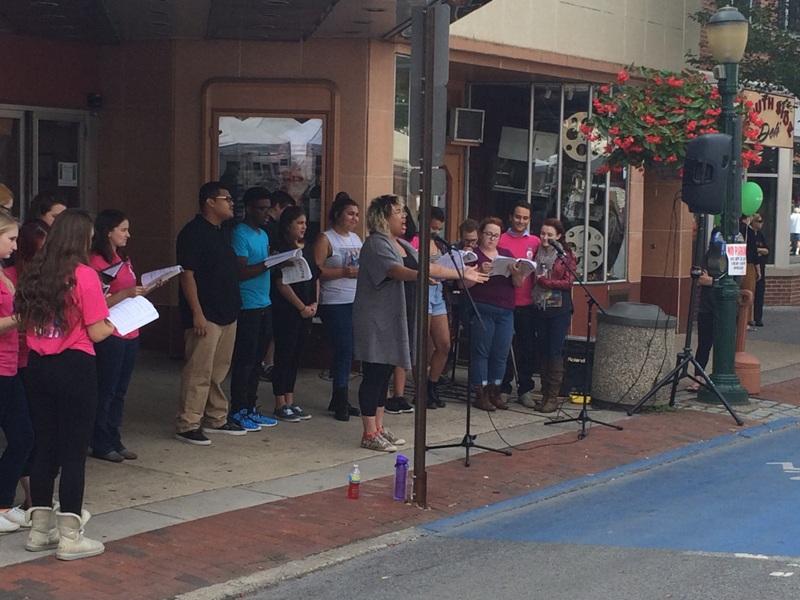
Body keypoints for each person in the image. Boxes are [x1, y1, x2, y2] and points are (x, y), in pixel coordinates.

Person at [16, 208, 116, 560]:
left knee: (45, 446)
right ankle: (71, 536)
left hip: (38, 365)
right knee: (74, 451)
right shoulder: (85, 275)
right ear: (81, 238)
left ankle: (40, 529)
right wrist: (118, 321)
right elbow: (97, 330)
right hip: (75, 364)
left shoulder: (35, 274)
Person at [353, 195, 487, 452]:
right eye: (397, 212)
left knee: (385, 376)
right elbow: (395, 271)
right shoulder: (375, 244)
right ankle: (368, 433)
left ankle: (379, 428)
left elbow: (428, 266)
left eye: (403, 212)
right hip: (376, 321)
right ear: (383, 217)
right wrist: (421, 276)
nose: (404, 217)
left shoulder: (402, 243)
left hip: (396, 318)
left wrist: (461, 273)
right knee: (374, 374)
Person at [175, 182, 244, 445]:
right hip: (205, 314)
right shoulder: (192, 233)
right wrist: (197, 313)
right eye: (226, 198)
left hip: (228, 310)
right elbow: (187, 275)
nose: (231, 203)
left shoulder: (222, 231)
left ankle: (216, 416)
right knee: (198, 370)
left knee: (218, 369)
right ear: (210, 202)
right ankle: (188, 422)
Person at [88, 210, 149, 462]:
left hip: (130, 327)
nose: (127, 234)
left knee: (121, 389)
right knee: (107, 388)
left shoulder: (122, 257)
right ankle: (100, 440)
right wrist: (125, 294)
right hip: (110, 329)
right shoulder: (95, 261)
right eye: (122, 229)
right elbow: (98, 302)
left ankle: (114, 435)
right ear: (108, 231)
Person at [227, 188, 279, 431]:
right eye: (260, 208)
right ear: (248, 208)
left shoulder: (264, 234)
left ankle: (251, 406)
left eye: (268, 207)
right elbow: (241, 271)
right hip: (247, 305)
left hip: (265, 303)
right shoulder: (239, 233)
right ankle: (238, 409)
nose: (265, 213)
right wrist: (268, 263)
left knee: (258, 361)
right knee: (244, 361)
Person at [467, 217, 526, 412]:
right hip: (483, 307)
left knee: (501, 353)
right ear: (481, 234)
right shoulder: (473, 256)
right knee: (482, 351)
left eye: (496, 235)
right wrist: (479, 273)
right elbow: (463, 285)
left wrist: (516, 272)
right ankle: (480, 392)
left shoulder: (506, 254)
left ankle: (495, 390)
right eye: (488, 234)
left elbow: (517, 284)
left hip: (506, 310)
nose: (492, 239)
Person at [0, 212, 34, 535]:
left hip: (10, 364)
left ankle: (3, 502)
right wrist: (19, 320)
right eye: (10, 238)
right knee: (22, 435)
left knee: (23, 436)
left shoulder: (5, 275)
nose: (15, 246)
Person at [314, 192, 362, 421]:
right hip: (333, 300)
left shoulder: (356, 239)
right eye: (350, 214)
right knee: (343, 347)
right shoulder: (326, 238)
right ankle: (340, 395)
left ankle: (340, 395)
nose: (354, 219)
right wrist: (343, 272)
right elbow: (317, 270)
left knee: (350, 349)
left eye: (357, 215)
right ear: (338, 215)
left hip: (354, 298)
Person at [270, 205, 319, 421]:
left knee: (297, 356)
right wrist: (300, 306)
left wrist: (315, 304)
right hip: (288, 310)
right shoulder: (282, 250)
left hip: (308, 308)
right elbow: (281, 283)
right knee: (284, 354)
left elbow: (315, 276)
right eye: (299, 223)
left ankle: (290, 399)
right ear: (288, 225)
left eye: (305, 223)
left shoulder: (307, 248)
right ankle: (280, 401)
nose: (303, 227)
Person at [531, 218, 576, 413]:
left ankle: (553, 396)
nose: (545, 237)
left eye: (550, 234)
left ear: (558, 236)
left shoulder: (565, 255)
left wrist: (546, 282)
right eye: (543, 233)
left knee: (554, 350)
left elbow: (568, 282)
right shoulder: (536, 251)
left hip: (559, 307)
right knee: (542, 349)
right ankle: (544, 392)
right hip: (540, 305)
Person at [498, 201, 541, 406]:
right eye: (517, 217)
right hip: (505, 301)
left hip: (527, 302)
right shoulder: (501, 239)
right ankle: (503, 388)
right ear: (510, 216)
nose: (521, 221)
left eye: (525, 218)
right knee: (504, 346)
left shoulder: (535, 241)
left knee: (527, 348)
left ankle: (525, 389)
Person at [409, 206, 451, 410]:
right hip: (422, 292)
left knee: (443, 344)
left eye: (438, 228)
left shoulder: (439, 244)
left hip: (437, 293)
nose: (435, 231)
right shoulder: (415, 241)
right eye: (432, 227)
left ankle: (432, 384)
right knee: (424, 345)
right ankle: (420, 390)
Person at [750, 214, 769, 327]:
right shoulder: (750, 234)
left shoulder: (761, 235)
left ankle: (758, 318)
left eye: (762, 221)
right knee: (750, 293)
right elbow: (751, 251)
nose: (761, 224)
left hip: (761, 267)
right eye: (759, 221)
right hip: (752, 268)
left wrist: (759, 250)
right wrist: (759, 251)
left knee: (760, 293)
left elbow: (767, 250)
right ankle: (749, 318)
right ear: (753, 222)